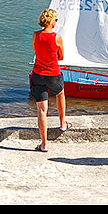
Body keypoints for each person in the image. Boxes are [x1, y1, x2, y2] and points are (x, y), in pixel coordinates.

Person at [29, 8, 67, 152]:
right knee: (60, 93)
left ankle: (44, 144)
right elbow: (61, 57)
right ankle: (63, 123)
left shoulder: (35, 35)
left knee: (41, 110)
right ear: (51, 22)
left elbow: (36, 51)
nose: (56, 22)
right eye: (55, 20)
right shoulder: (57, 38)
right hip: (53, 74)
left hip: (38, 75)